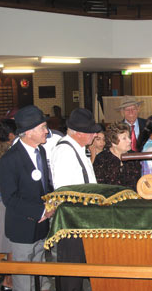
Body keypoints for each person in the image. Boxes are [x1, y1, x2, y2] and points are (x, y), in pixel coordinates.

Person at [0, 105, 54, 291]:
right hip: (22, 228)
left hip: (41, 226)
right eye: (43, 128)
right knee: (23, 280)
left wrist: (52, 201)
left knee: (37, 274)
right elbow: (10, 199)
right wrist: (41, 211)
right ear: (29, 132)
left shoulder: (41, 151)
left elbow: (44, 185)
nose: (47, 131)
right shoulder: (9, 160)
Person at [51, 107, 102, 291]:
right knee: (71, 272)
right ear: (79, 133)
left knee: (80, 269)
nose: (95, 134)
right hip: (73, 221)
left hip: (83, 220)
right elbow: (65, 192)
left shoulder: (79, 148)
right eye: (91, 131)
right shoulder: (65, 152)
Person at [94, 122, 141, 190]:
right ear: (113, 142)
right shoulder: (101, 159)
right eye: (124, 138)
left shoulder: (133, 156)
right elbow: (100, 187)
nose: (130, 141)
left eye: (129, 137)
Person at [0, 119, 16, 291]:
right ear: (11, 135)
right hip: (4, 201)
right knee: (9, 242)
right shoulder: (11, 153)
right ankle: (8, 280)